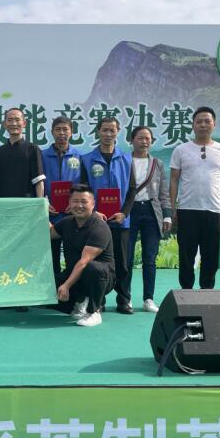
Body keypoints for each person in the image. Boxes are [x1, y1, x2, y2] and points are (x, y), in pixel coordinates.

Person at [169, 106, 220, 289]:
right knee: (186, 255)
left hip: (213, 210)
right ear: (193, 125)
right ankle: (186, 293)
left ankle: (207, 292)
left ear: (214, 124)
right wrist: (173, 208)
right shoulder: (181, 150)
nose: (203, 125)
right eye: (199, 121)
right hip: (187, 210)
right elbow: (174, 180)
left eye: (207, 121)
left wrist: (214, 194)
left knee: (211, 255)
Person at [80, 116, 137, 314]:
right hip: (97, 222)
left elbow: (132, 190)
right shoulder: (87, 159)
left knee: (123, 263)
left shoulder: (127, 159)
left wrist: (124, 213)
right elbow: (84, 190)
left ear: (118, 132)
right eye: (104, 130)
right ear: (98, 132)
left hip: (121, 221)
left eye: (112, 130)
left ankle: (124, 300)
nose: (108, 134)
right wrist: (93, 212)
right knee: (97, 263)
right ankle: (99, 299)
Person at [49, 185, 116, 327]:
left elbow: (84, 262)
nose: (79, 205)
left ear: (93, 204)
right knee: (46, 286)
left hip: (100, 278)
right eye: (75, 201)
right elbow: (49, 233)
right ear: (69, 203)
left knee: (93, 268)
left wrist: (66, 285)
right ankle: (79, 302)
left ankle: (94, 312)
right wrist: (39, 209)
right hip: (74, 276)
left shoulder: (99, 228)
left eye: (84, 202)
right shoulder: (67, 222)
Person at [128, 126, 172, 313]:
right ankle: (126, 297)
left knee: (150, 258)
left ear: (152, 141)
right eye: (140, 138)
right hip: (129, 211)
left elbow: (163, 192)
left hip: (151, 212)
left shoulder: (157, 164)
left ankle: (148, 299)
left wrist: (167, 214)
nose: (144, 141)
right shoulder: (124, 160)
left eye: (147, 138)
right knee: (126, 258)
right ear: (132, 140)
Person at [42, 116, 85, 274]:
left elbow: (84, 186)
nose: (62, 133)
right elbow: (36, 184)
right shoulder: (41, 156)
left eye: (65, 129)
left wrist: (76, 204)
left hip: (73, 216)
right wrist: (43, 204)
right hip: (48, 216)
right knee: (50, 258)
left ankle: (72, 288)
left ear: (72, 132)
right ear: (52, 132)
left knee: (73, 257)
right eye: (58, 129)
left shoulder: (80, 157)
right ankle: (52, 288)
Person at [0, 107, 45, 198]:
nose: (14, 123)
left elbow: (38, 181)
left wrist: (40, 203)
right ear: (4, 124)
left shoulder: (32, 149)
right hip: (3, 204)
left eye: (17, 120)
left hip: (26, 204)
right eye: (10, 120)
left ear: (24, 123)